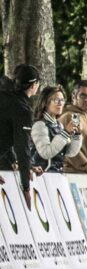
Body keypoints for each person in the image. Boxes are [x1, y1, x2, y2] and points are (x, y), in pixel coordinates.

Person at [0, 64, 41, 205]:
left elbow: (4, 132)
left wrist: (12, 161)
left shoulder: (4, 95)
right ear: (34, 85)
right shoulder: (22, 109)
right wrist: (26, 187)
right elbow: (22, 148)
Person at [31, 85, 82, 173]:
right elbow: (45, 153)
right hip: (43, 175)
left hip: (57, 174)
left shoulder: (59, 125)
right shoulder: (39, 125)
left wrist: (77, 135)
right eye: (56, 100)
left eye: (62, 100)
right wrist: (66, 132)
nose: (60, 103)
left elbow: (70, 153)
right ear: (46, 102)